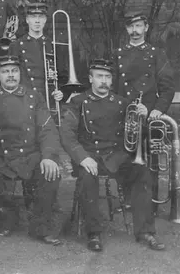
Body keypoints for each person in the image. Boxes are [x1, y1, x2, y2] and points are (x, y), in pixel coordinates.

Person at [60, 58, 166, 252]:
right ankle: (93, 233)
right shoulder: (77, 102)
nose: (103, 81)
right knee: (87, 178)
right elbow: (67, 134)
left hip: (116, 157)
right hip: (89, 156)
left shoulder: (122, 103)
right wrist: (82, 158)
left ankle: (145, 231)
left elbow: (137, 133)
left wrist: (143, 117)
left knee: (142, 173)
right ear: (90, 78)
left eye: (107, 77)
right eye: (99, 76)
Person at [0, 52, 62, 244]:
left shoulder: (34, 96)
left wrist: (48, 156)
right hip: (1, 159)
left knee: (51, 174)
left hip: (30, 156)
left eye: (14, 71)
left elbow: (47, 129)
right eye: (5, 71)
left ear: (20, 73)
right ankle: (8, 217)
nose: (11, 75)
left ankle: (40, 227)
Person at [113, 13, 175, 121]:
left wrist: (157, 109)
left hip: (149, 114)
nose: (134, 30)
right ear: (126, 28)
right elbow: (110, 88)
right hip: (122, 113)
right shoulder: (117, 54)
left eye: (138, 26)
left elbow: (167, 88)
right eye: (130, 26)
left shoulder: (157, 54)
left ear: (146, 28)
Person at [9, 2, 63, 107]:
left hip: (48, 99)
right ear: (27, 20)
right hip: (23, 99)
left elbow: (63, 76)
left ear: (45, 20)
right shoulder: (16, 45)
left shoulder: (53, 45)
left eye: (41, 17)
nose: (37, 21)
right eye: (33, 17)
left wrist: (60, 92)